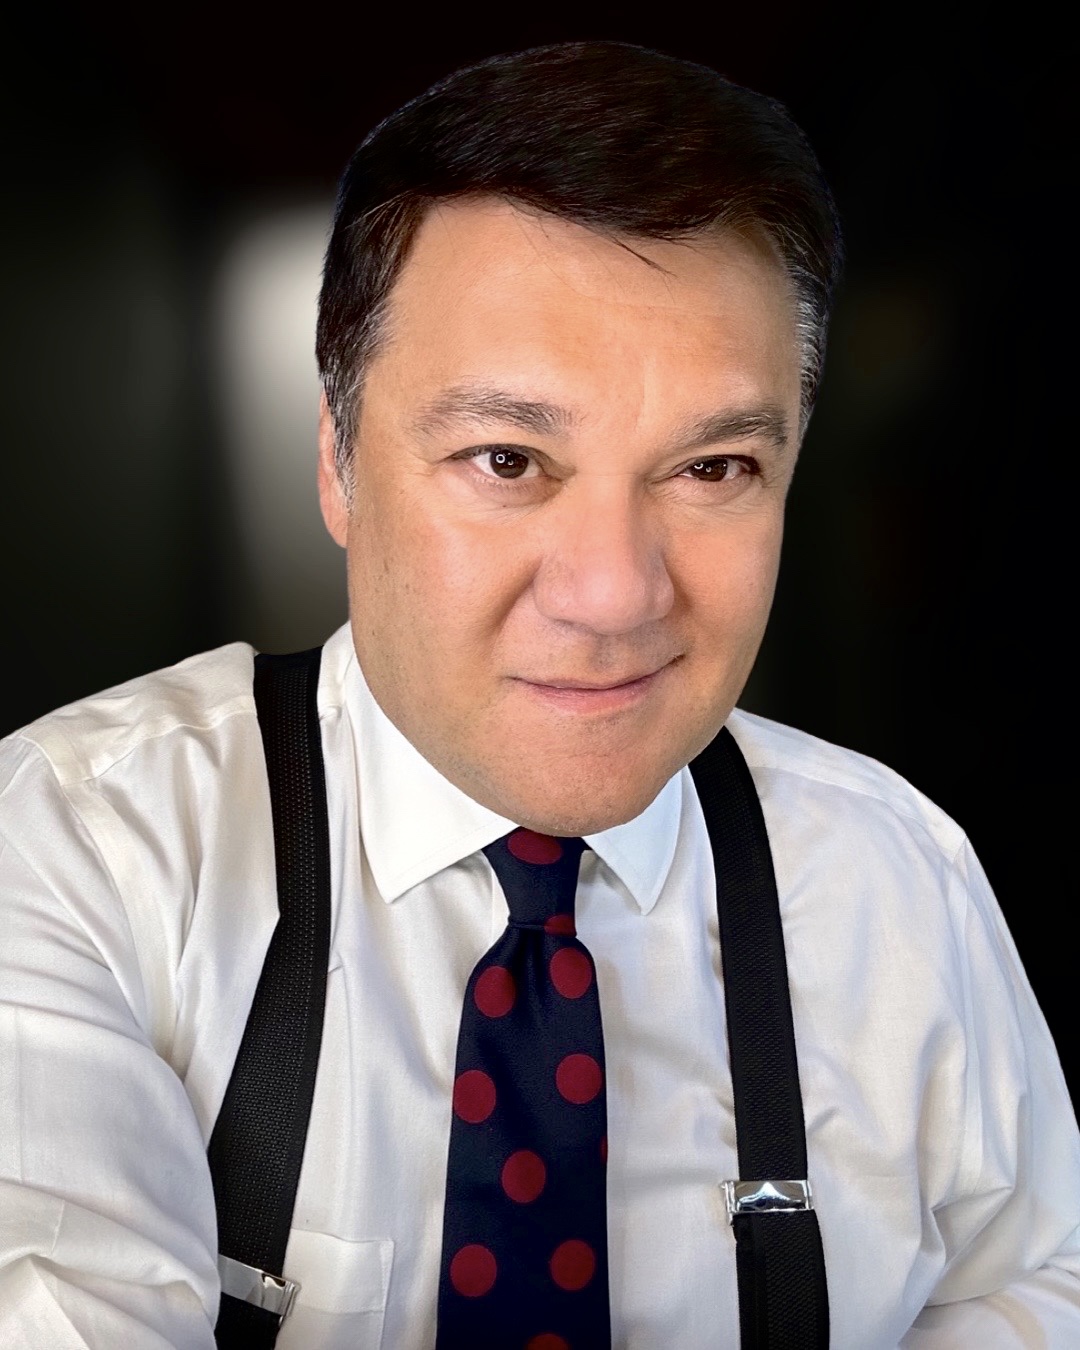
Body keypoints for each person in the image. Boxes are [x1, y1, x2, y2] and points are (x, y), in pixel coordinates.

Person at [1, 40, 1077, 1350]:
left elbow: (1036, 1286)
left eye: (713, 469)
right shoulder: (84, 849)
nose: (615, 594)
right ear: (338, 463)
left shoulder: (901, 882)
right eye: (508, 458)